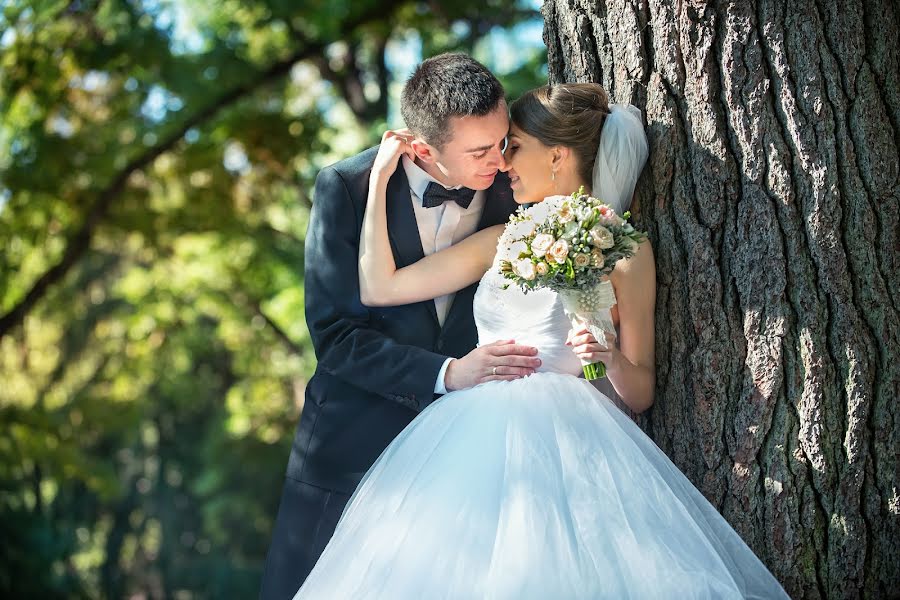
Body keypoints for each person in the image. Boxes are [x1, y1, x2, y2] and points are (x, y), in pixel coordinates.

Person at [293, 83, 789, 598]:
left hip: (574, 442)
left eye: (514, 146)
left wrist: (606, 357)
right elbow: (381, 287)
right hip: (468, 435)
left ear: (556, 155)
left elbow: (639, 393)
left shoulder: (624, 250)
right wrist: (379, 183)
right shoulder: (505, 237)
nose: (504, 162)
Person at [259, 54, 540, 599]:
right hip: (348, 446)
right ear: (422, 147)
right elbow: (337, 337)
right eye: (480, 151)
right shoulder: (344, 187)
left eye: (503, 141)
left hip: (462, 454)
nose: (499, 159)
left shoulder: (514, 188)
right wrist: (447, 373)